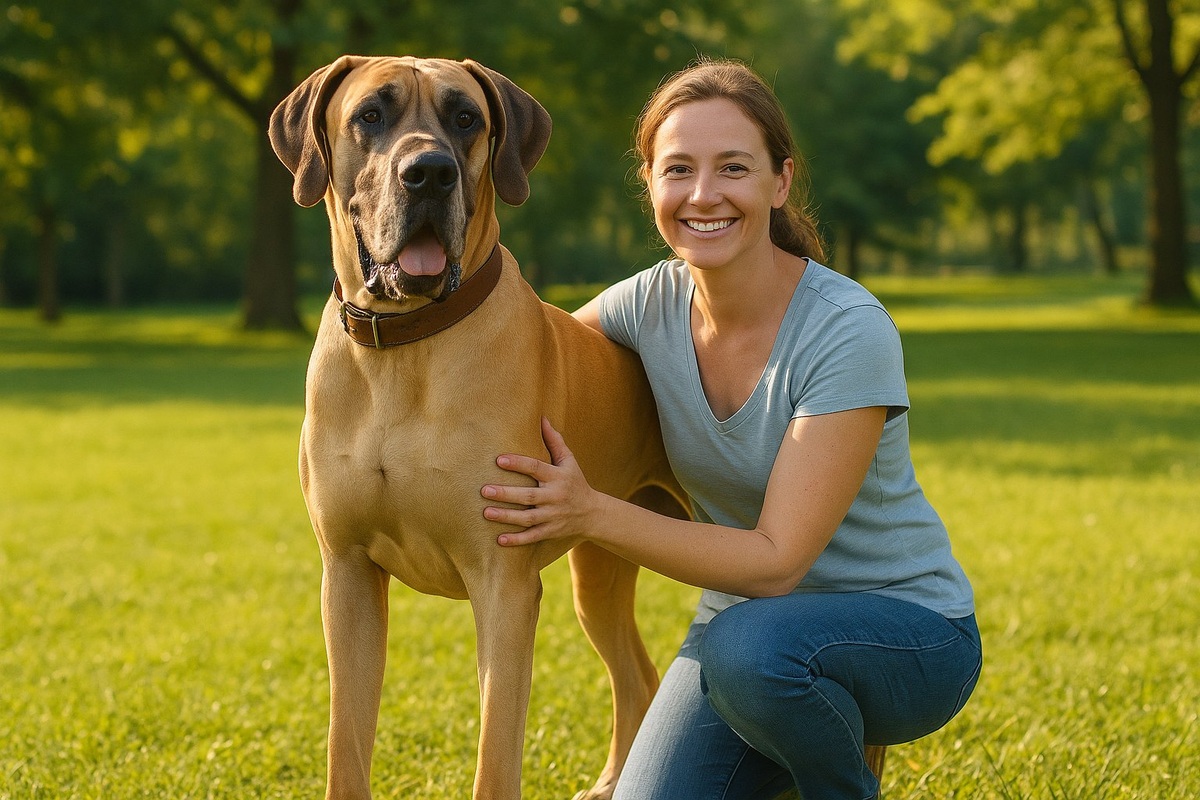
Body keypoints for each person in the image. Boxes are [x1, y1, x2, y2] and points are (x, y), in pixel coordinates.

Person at [480, 58, 981, 800]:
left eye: (733, 168)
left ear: (779, 182)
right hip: (746, 638)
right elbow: (535, 361)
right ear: (649, 182)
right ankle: (799, 728)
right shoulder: (645, 305)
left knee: (752, 648)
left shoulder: (847, 329)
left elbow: (777, 563)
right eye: (678, 169)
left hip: (906, 632)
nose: (703, 195)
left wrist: (589, 512)